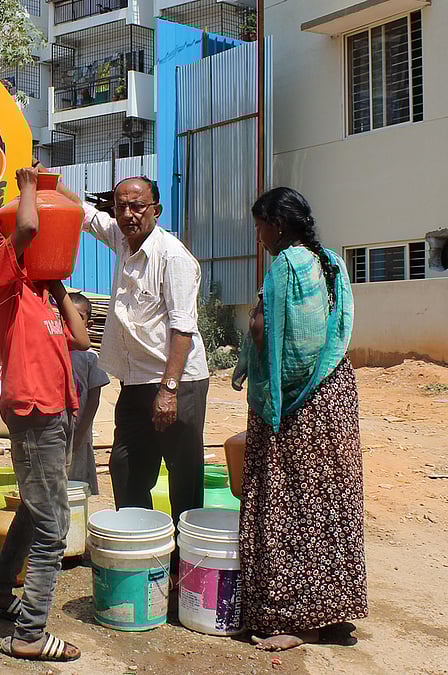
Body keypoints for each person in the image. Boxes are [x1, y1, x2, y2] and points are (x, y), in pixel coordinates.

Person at [0, 166, 89, 663]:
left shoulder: (31, 286)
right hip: (35, 410)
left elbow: (81, 339)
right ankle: (29, 633)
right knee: (53, 526)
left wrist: (59, 289)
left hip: (58, 407)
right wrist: (29, 186)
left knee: (33, 508)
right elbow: (27, 228)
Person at [233, 187, 364, 651]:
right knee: (330, 502)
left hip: (300, 407)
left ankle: (293, 618)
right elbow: (334, 329)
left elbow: (291, 347)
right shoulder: (329, 261)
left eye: (260, 226)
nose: (259, 236)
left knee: (288, 503)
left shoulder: (288, 266)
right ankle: (331, 611)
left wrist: (273, 396)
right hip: (335, 396)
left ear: (278, 225)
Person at [58, 177, 209, 535]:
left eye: (137, 206)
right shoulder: (123, 241)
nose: (128, 213)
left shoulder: (172, 257)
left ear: (156, 210)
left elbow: (182, 327)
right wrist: (49, 180)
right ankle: (140, 544)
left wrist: (169, 390)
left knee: (182, 475)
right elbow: (84, 214)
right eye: (121, 205)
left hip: (177, 382)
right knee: (125, 467)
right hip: (135, 381)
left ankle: (182, 566)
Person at [67, 292, 108, 495]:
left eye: (78, 317)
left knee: (77, 486)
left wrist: (82, 430)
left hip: (80, 433)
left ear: (89, 324)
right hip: (56, 431)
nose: (70, 322)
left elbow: (94, 398)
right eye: (65, 316)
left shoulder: (91, 358)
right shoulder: (53, 352)